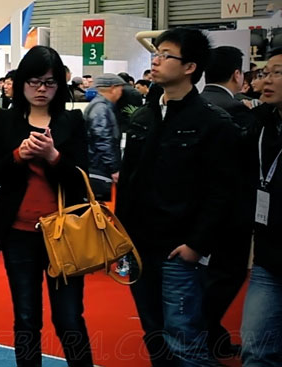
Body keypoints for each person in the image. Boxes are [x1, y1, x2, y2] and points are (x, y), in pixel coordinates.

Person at [117, 28, 239, 367]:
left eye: (166, 55)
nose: (156, 61)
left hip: (179, 249)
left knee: (185, 340)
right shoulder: (143, 117)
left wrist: (196, 244)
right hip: (139, 247)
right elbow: (128, 182)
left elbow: (222, 192)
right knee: (154, 333)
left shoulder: (213, 122)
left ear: (190, 67)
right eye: (156, 53)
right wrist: (121, 237)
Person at [0, 45, 93, 367]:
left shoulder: (71, 121)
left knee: (69, 318)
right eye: (34, 81)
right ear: (21, 83)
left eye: (49, 82)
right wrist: (19, 156)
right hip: (19, 233)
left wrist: (53, 157)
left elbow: (82, 182)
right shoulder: (4, 120)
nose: (41, 89)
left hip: (65, 233)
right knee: (26, 319)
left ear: (60, 84)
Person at [199, 46, 258, 359]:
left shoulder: (194, 105)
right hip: (230, 211)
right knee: (227, 274)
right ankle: (205, 336)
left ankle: (212, 336)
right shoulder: (238, 111)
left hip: (193, 210)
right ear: (237, 74)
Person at [245, 50, 282, 367]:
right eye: (264, 72)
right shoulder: (261, 123)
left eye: (277, 73)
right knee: (255, 350)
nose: (266, 80)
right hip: (269, 257)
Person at [84, 74, 123, 201]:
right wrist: (114, 168)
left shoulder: (98, 106)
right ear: (113, 88)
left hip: (97, 165)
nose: (121, 93)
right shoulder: (101, 109)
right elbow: (103, 140)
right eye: (120, 89)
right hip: (99, 168)